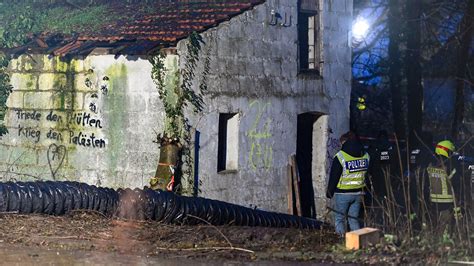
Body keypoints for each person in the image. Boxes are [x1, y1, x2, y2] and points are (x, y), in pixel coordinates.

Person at [326, 131, 370, 235]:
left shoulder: (341, 156)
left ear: (345, 142)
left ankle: (341, 242)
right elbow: (369, 174)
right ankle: (357, 242)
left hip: (343, 194)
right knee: (353, 219)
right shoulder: (366, 155)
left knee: (339, 219)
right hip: (359, 193)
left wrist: (329, 192)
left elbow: (334, 176)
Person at [424, 140, 461, 232]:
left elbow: (425, 185)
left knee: (434, 228)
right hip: (447, 204)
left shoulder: (429, 166)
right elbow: (456, 186)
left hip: (432, 203)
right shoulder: (449, 167)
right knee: (446, 230)